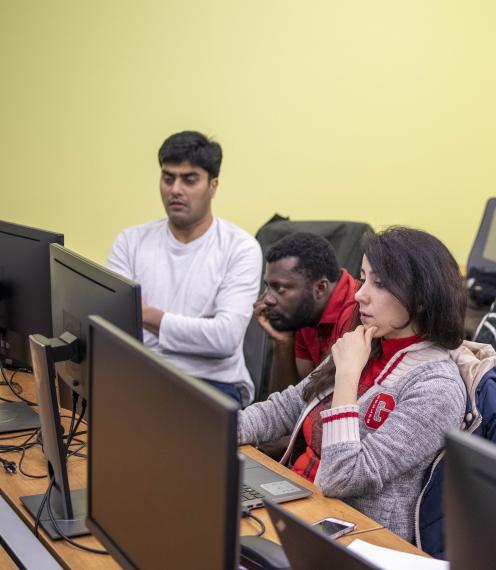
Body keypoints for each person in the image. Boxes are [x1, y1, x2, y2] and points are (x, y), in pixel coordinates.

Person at [238, 227, 468, 543]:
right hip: (301, 503)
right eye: (363, 277)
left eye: (380, 283)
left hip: (355, 538)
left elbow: (343, 476)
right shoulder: (367, 341)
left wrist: (347, 376)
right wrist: (214, 429)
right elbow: (285, 407)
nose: (360, 293)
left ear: (421, 299)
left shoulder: (436, 387)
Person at [108, 131, 262, 405]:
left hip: (212, 384)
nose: (175, 189)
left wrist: (145, 314)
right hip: (141, 372)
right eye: (168, 178)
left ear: (213, 185)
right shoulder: (130, 242)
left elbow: (224, 338)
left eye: (189, 180)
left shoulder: (240, 248)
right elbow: (114, 324)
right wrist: (196, 333)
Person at [253, 232, 360, 392]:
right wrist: (283, 343)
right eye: (268, 286)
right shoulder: (305, 312)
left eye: (279, 288)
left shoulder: (358, 314)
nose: (267, 299)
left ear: (320, 288)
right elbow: (285, 407)